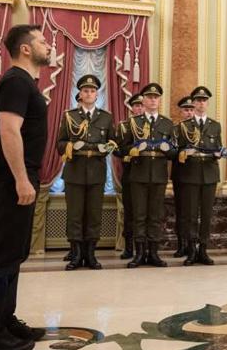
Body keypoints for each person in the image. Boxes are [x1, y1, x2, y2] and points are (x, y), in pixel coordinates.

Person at [0, 24, 50, 350]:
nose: (49, 45)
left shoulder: (25, 83)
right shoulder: (16, 82)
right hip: (11, 180)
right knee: (2, 258)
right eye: (43, 41)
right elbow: (7, 130)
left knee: (14, 255)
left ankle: (5, 321)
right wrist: (21, 179)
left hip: (20, 177)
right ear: (25, 49)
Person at [56, 74, 116, 271]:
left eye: (92, 91)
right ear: (80, 94)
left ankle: (90, 254)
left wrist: (106, 148)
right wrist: (71, 145)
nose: (89, 93)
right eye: (85, 91)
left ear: (97, 95)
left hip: (97, 172)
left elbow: (112, 143)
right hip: (74, 171)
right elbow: (60, 144)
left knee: (93, 215)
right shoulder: (70, 116)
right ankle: (76, 254)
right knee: (74, 215)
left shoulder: (106, 117)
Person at [119, 82, 176, 268]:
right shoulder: (134, 123)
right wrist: (132, 150)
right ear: (143, 100)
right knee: (139, 215)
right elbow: (122, 148)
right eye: (149, 97)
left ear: (159, 100)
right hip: (138, 174)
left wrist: (169, 150)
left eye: (156, 97)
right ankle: (139, 253)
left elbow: (174, 152)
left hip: (159, 175)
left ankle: (154, 253)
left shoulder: (167, 124)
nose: (153, 100)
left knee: (155, 215)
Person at [175, 86, 224, 266]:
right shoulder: (183, 126)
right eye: (198, 101)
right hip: (190, 174)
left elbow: (218, 146)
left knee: (206, 214)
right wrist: (182, 154)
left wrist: (220, 153)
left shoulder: (215, 125)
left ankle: (203, 249)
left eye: (204, 101)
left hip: (209, 174)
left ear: (207, 103)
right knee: (190, 215)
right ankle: (191, 250)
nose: (201, 104)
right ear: (193, 103)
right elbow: (177, 149)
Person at [115, 93, 145, 260]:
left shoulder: (150, 125)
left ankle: (144, 247)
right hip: (130, 173)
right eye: (136, 105)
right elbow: (117, 149)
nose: (139, 108)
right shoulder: (124, 126)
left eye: (142, 105)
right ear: (132, 108)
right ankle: (128, 247)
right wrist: (128, 152)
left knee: (144, 213)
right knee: (130, 212)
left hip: (147, 172)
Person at [172, 95, 195, 257]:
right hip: (180, 175)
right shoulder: (175, 130)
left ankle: (193, 245)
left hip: (197, 175)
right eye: (186, 110)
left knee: (194, 213)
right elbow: (171, 151)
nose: (189, 113)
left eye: (191, 109)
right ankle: (181, 244)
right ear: (181, 112)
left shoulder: (202, 129)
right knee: (181, 212)